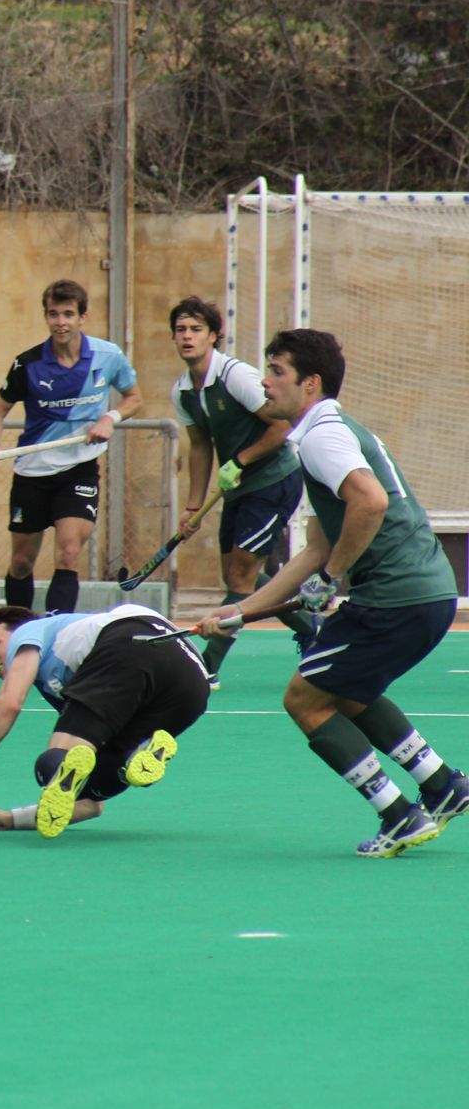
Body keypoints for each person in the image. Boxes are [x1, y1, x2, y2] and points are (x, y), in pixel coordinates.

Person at [197, 328, 469, 858]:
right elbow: (315, 550)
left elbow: (370, 503)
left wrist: (332, 579)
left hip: (395, 596)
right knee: (345, 690)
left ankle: (399, 814)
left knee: (303, 699)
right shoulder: (325, 433)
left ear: (310, 383)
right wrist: (242, 611)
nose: (265, 382)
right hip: (426, 592)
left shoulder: (322, 436)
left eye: (276, 371)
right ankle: (442, 786)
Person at [0, 603, 207, 838]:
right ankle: (136, 754)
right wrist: (10, 819)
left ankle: (131, 755)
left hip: (130, 640)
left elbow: (9, 703)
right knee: (97, 780)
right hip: (193, 684)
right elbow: (90, 806)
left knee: (55, 760)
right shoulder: (69, 674)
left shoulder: (29, 631)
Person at [166, 296, 313, 680]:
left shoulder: (235, 376)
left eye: (196, 329)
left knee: (241, 577)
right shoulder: (182, 391)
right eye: (181, 330)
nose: (187, 336)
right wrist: (193, 507)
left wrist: (241, 460)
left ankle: (207, 667)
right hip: (239, 488)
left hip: (274, 480)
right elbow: (200, 446)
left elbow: (282, 425)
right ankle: (312, 626)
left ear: (213, 336)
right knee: (237, 576)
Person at [0, 279, 141, 615]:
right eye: (53, 314)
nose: (61, 322)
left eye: (68, 314)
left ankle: (57, 633)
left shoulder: (107, 356)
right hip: (32, 471)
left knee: (68, 553)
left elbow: (134, 398)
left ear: (83, 317)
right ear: (46, 317)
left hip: (79, 468)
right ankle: (17, 632)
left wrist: (109, 417)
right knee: (22, 562)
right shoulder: (28, 364)